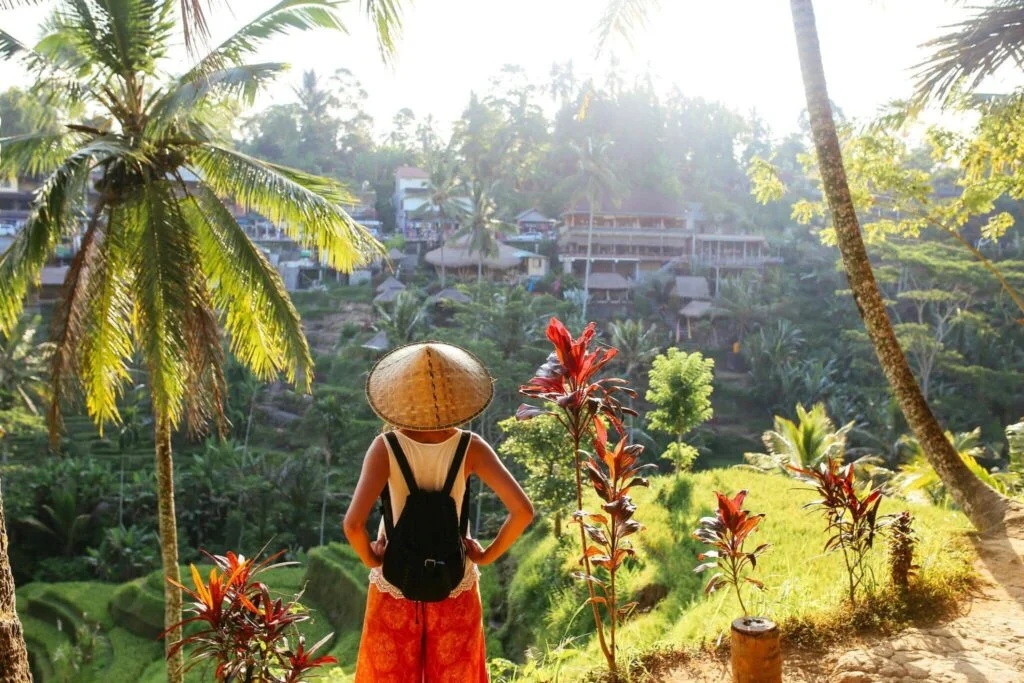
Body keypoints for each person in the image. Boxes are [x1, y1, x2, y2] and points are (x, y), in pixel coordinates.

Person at [344, 342, 534, 682]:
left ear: (399, 397)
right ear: (455, 396)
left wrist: (373, 559)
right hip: (454, 581)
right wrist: (487, 556)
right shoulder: (470, 447)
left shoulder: (385, 448)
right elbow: (521, 511)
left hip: (396, 584)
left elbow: (353, 525)